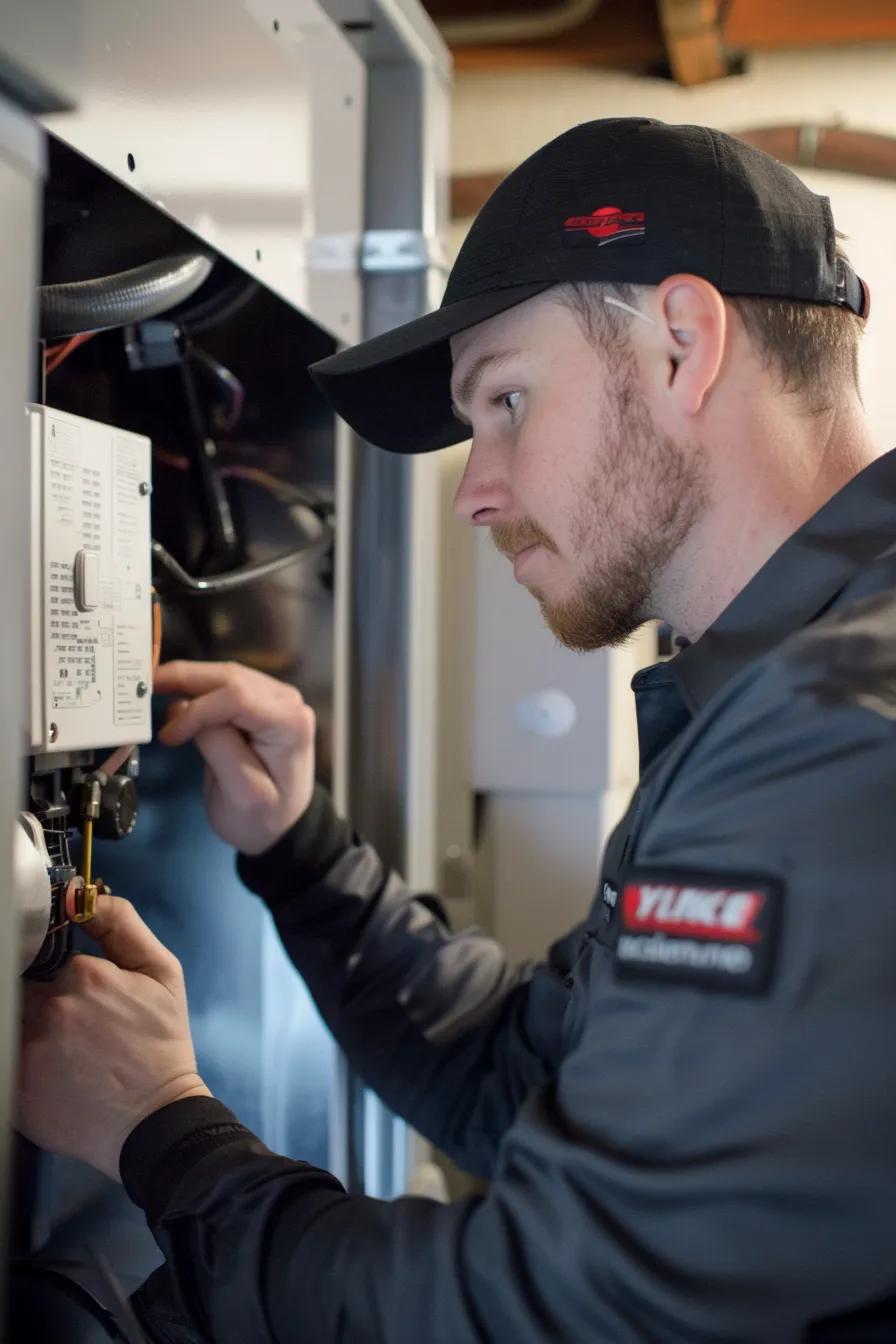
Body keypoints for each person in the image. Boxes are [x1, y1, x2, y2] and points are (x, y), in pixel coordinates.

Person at [17, 117, 896, 1342]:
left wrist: (159, 1126)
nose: (476, 487)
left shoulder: (832, 734)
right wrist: (298, 852)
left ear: (684, 344)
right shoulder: (760, 692)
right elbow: (521, 1083)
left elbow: (548, 1310)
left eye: (505, 400)